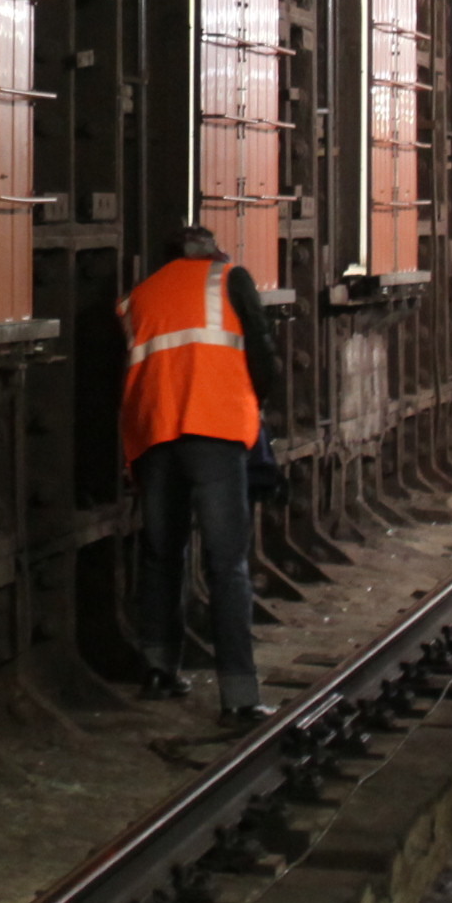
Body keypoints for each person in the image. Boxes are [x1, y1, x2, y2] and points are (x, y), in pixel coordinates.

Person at [119, 222, 282, 721]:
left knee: (162, 555)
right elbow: (263, 355)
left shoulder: (140, 295)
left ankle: (159, 672)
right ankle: (239, 697)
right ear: (213, 252)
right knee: (226, 563)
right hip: (213, 429)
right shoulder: (231, 279)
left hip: (154, 434)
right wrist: (256, 405)